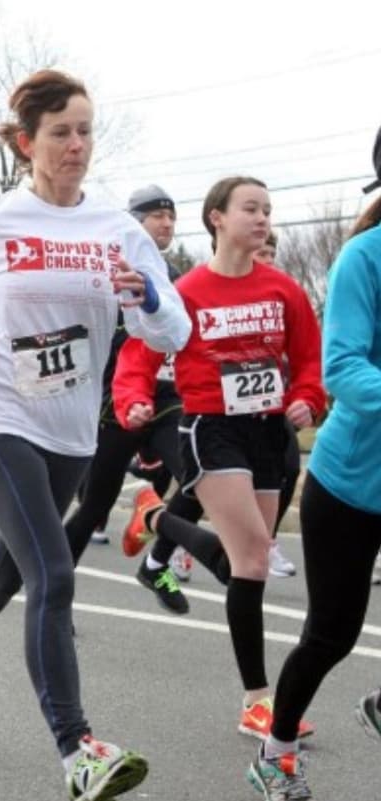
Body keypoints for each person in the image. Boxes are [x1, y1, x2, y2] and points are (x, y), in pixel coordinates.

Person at [0, 69, 191, 801]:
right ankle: (78, 749)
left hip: (70, 430)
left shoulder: (118, 231)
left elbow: (174, 331)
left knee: (3, 578)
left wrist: (152, 296)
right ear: (28, 142)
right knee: (53, 575)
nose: (77, 144)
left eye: (86, 129)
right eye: (61, 132)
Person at [118, 177, 324, 744]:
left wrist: (309, 396)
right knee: (254, 557)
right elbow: (140, 352)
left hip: (266, 430)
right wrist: (133, 398)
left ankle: (156, 517)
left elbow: (309, 357)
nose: (261, 219)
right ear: (216, 218)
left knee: (244, 563)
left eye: (268, 210)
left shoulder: (283, 289)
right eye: (250, 209)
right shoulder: (185, 291)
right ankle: (257, 701)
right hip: (210, 428)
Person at [246, 128, 381, 801]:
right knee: (332, 633)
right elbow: (343, 368)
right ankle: (276, 750)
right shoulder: (364, 257)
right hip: (353, 485)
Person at [60, 184, 191, 614]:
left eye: (171, 217)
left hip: (167, 395)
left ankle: (156, 563)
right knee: (94, 505)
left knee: (198, 478)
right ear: (132, 222)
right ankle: (55, 592)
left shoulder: (171, 275)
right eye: (157, 216)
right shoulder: (101, 266)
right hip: (112, 399)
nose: (167, 224)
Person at [251, 230, 301, 579]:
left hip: (272, 402)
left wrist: (304, 395)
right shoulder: (217, 287)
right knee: (198, 486)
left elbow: (302, 353)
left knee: (291, 468)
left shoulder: (283, 293)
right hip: (225, 412)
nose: (267, 260)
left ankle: (266, 542)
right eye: (261, 253)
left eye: (271, 254)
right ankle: (173, 545)